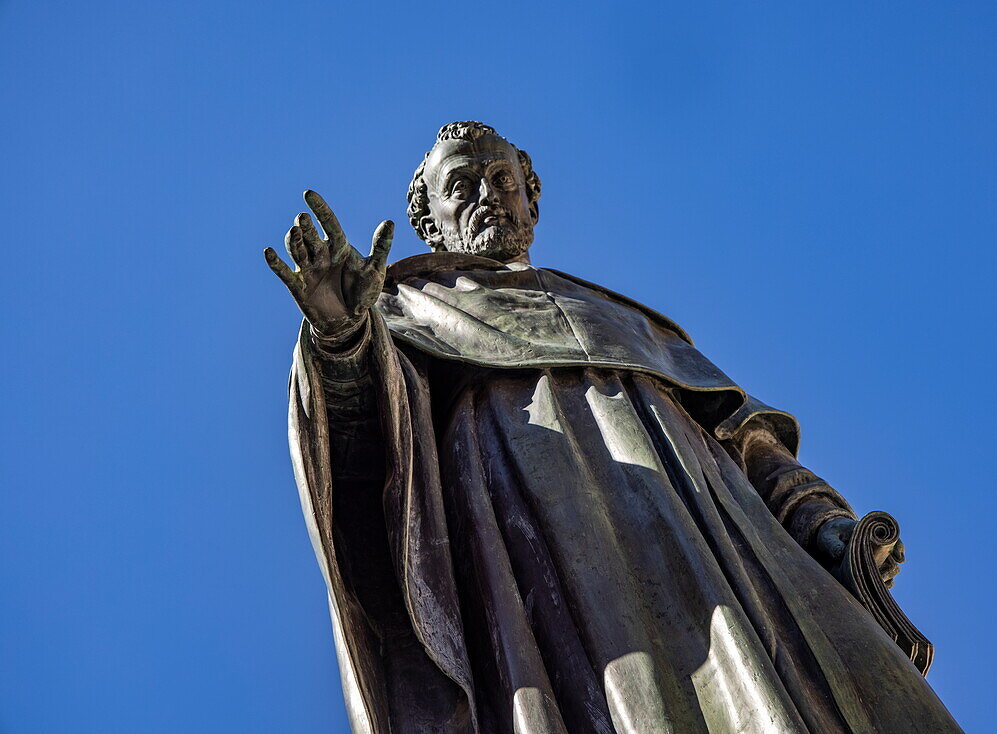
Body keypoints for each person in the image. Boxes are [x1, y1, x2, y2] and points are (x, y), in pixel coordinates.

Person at [265, 121, 961, 734]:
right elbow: (366, 461)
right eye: (463, 184)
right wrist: (341, 338)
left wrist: (820, 524)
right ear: (432, 220)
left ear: (532, 199)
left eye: (503, 178)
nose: (488, 194)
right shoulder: (403, 306)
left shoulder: (631, 320)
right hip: (533, 534)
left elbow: (747, 440)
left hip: (713, 526)